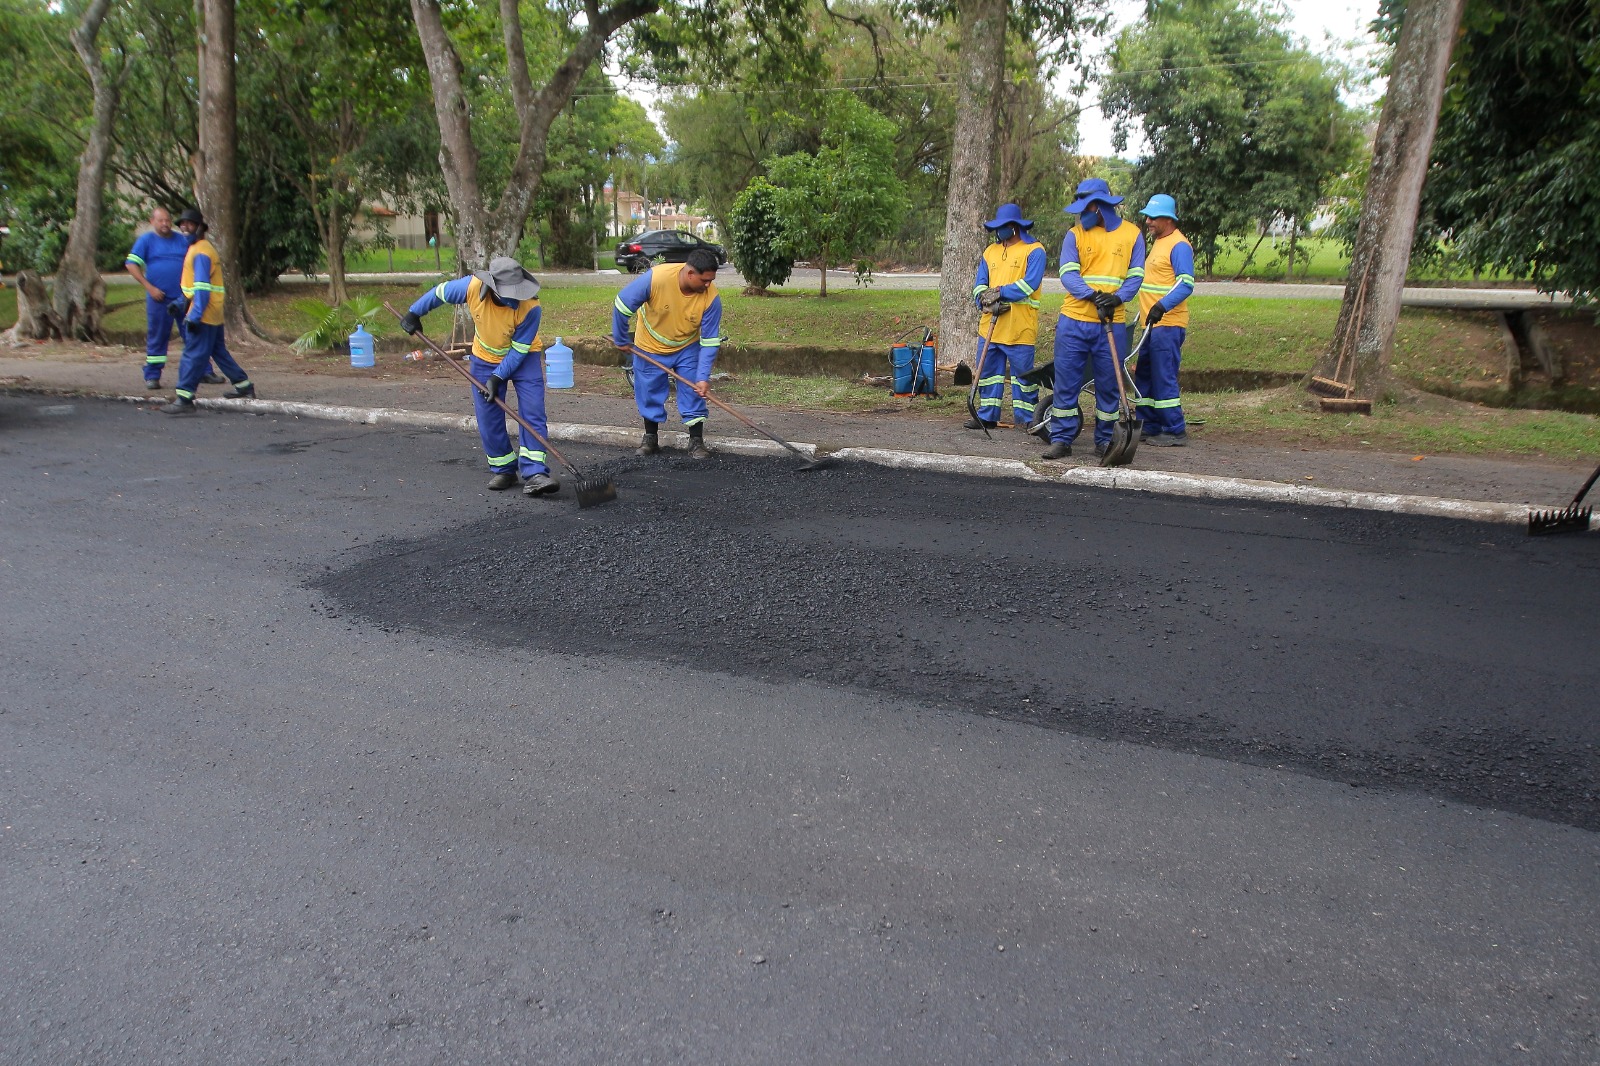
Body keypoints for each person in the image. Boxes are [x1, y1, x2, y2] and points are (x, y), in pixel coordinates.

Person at [401, 256, 557, 496]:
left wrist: (497, 377)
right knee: (488, 415)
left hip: (524, 358)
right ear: (493, 287)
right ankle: (504, 468)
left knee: (532, 410)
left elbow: (519, 351)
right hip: (484, 358)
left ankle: (535, 473)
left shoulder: (531, 307)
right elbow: (439, 293)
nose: (514, 298)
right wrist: (414, 313)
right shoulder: (471, 287)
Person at [1042, 177, 1147, 460]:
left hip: (1111, 324)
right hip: (1074, 321)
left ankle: (1105, 440)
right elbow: (1068, 274)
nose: (1080, 215)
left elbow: (1136, 275)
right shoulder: (1074, 235)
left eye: (1085, 209)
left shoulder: (1132, 235)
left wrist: (1117, 298)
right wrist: (1092, 296)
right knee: (1066, 383)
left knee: (1108, 385)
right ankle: (1061, 439)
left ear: (1099, 207)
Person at [611, 248, 723, 459]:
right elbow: (622, 304)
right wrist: (621, 338)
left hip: (687, 347)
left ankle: (696, 441)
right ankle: (650, 439)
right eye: (705, 280)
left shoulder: (711, 299)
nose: (708, 285)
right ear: (690, 273)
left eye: (711, 280)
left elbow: (709, 342)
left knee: (694, 390)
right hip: (650, 345)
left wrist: (702, 377)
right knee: (648, 390)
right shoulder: (657, 278)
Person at [159, 208, 255, 415]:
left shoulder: (201, 252)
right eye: (182, 225)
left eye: (189, 224)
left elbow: (202, 287)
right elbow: (196, 286)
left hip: (203, 313)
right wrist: (180, 302)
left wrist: (194, 315)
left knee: (193, 354)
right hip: (212, 312)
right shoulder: (199, 248)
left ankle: (184, 398)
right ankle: (244, 386)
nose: (185, 228)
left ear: (200, 228)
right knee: (218, 351)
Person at [967, 203, 1047, 433]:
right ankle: (986, 416)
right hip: (990, 326)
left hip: (1019, 327)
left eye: (1002, 227)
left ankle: (1028, 418)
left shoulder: (1035, 250)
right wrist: (983, 300)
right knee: (988, 374)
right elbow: (980, 284)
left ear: (1014, 226)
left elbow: (1029, 284)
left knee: (1023, 377)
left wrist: (1000, 292)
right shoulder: (990, 252)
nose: (998, 232)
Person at [125, 207, 218, 390]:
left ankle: (204, 371)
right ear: (152, 221)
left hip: (183, 298)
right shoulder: (146, 240)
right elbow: (131, 264)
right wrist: (150, 288)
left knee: (193, 335)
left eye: (167, 220)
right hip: (159, 298)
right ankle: (153, 375)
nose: (165, 224)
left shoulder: (182, 240)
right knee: (157, 336)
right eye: (161, 220)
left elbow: (197, 256)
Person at [1133, 194, 1195, 446]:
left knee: (1163, 376)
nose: (1148, 221)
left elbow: (1185, 284)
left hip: (1168, 324)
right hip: (1152, 324)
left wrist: (1161, 306)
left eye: (1153, 217)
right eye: (1147, 217)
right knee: (1145, 375)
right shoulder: (1160, 242)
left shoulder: (1179, 245)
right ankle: (1149, 424)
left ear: (1168, 219)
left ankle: (1174, 429)